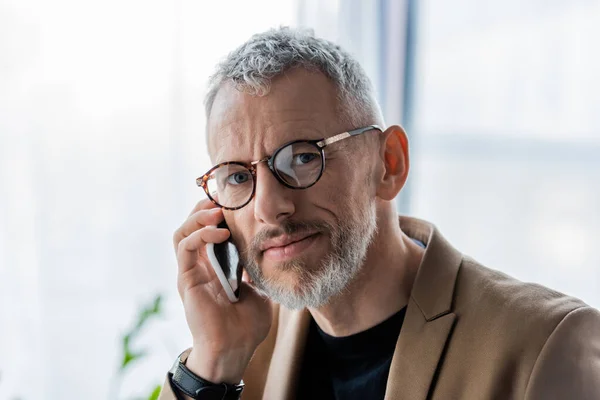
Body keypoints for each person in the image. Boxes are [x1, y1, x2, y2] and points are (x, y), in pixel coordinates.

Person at [159, 28, 600, 400]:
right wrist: (214, 362)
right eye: (238, 177)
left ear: (389, 163)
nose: (270, 209)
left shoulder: (548, 343)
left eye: (302, 158)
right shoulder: (246, 345)